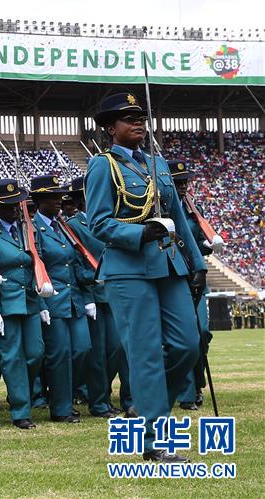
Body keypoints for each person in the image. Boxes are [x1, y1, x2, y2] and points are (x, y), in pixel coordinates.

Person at [85, 92, 207, 463]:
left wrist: (197, 262)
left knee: (189, 343)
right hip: (129, 269)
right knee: (145, 352)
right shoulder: (103, 166)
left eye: (141, 117)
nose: (138, 123)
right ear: (111, 129)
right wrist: (140, 234)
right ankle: (154, 439)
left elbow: (180, 219)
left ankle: (145, 406)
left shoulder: (158, 164)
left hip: (170, 266)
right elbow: (98, 223)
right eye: (128, 119)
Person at [0, 178, 47, 430]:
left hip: (30, 301)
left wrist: (41, 302)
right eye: (7, 205)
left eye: (16, 204)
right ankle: (21, 410)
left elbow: (37, 266)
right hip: (5, 303)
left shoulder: (28, 230)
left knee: (35, 353)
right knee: (11, 357)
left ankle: (20, 393)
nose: (14, 209)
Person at [29, 174, 93, 424]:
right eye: (52, 197)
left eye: (59, 197)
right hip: (53, 301)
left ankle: (68, 394)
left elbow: (75, 262)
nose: (59, 201)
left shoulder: (63, 226)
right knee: (60, 354)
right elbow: (37, 267)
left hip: (74, 299)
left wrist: (95, 277)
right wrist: (42, 304)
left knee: (83, 349)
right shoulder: (34, 228)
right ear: (39, 200)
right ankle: (61, 407)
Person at [64, 177, 129, 417]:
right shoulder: (74, 224)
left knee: (118, 348)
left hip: (117, 291)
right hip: (92, 293)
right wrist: (89, 281)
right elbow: (74, 261)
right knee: (98, 352)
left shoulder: (115, 221)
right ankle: (99, 401)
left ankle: (126, 399)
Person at [169, 160, 214, 411]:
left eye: (185, 181)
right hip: (176, 279)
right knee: (185, 335)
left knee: (202, 334)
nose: (183, 186)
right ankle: (186, 393)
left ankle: (196, 382)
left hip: (197, 277)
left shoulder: (195, 210)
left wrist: (206, 248)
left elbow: (197, 240)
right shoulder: (160, 211)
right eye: (178, 182)